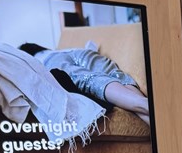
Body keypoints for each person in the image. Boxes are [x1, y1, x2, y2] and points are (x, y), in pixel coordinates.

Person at [18, 42, 150, 125]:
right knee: (117, 75)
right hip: (84, 52)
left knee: (89, 80)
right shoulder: (61, 49)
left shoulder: (38, 59)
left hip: (52, 61)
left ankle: (145, 105)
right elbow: (91, 46)